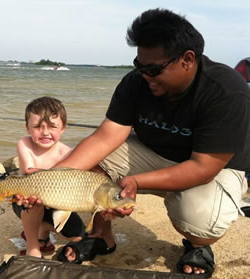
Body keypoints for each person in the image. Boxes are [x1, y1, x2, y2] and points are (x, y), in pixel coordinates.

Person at [20, 8, 250, 277]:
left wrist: (137, 182)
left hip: (213, 167)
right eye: (139, 66)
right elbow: (106, 136)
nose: (145, 75)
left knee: (199, 223)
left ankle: (197, 247)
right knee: (95, 159)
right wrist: (47, 180)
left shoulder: (225, 91)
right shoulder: (136, 82)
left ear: (187, 59)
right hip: (155, 154)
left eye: (153, 69)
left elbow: (203, 167)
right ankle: (101, 235)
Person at [11, 96, 86, 258]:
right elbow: (30, 172)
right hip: (28, 199)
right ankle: (33, 246)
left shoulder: (68, 153)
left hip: (58, 204)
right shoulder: (24, 143)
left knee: (79, 237)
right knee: (34, 202)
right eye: (37, 126)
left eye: (52, 127)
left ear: (63, 128)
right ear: (27, 128)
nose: (45, 132)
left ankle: (43, 231)